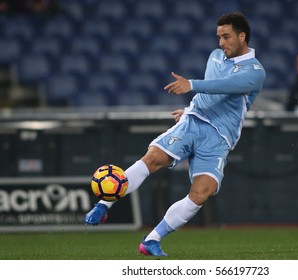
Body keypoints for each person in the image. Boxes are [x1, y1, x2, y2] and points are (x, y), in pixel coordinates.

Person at [85, 12, 266, 256]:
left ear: (242, 36)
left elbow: (227, 87)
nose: (221, 43)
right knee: (152, 159)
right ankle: (104, 203)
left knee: (202, 193)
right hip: (194, 122)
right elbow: (210, 92)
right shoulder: (215, 56)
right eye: (218, 37)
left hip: (219, 138)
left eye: (226, 37)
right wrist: (191, 108)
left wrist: (192, 84)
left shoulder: (255, 71)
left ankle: (152, 239)